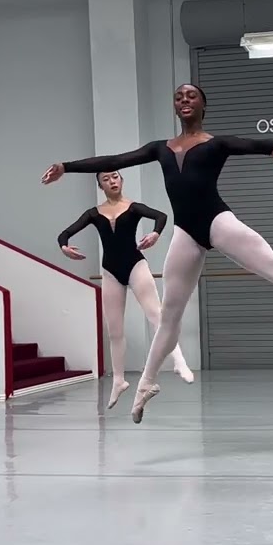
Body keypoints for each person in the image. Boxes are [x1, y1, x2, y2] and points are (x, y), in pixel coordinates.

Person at [42, 83, 273, 423]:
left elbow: (249, 144)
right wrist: (67, 166)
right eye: (178, 97)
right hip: (186, 234)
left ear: (203, 105)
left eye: (191, 95)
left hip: (218, 222)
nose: (184, 99)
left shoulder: (215, 144)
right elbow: (116, 159)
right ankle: (146, 383)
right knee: (169, 316)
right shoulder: (159, 148)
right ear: (175, 107)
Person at [57, 170, 194, 409]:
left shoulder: (133, 207)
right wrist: (64, 247)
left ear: (122, 180)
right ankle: (118, 380)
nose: (112, 181)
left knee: (158, 317)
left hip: (135, 265)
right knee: (114, 330)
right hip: (110, 271)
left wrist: (155, 234)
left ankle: (178, 361)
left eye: (115, 176)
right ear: (100, 185)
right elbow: (64, 234)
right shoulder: (93, 213)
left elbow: (161, 216)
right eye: (106, 179)